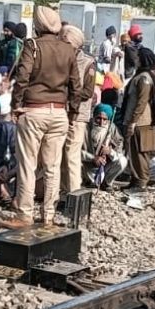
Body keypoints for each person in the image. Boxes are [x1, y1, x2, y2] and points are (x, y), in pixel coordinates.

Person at [5, 6, 79, 229]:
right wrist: (72, 112)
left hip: (33, 109)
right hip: (59, 112)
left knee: (27, 164)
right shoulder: (68, 49)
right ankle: (48, 215)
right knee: (52, 167)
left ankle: (24, 214)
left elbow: (22, 77)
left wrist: (15, 105)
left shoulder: (32, 45)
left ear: (37, 26)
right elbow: (76, 84)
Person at [61, 24, 97, 194]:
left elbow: (88, 92)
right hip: (61, 113)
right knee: (59, 157)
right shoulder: (62, 57)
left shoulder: (88, 63)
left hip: (78, 115)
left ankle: (74, 193)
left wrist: (68, 94)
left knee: (72, 156)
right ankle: (61, 192)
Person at [121, 47, 155, 192]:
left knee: (140, 153)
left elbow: (142, 101)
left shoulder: (144, 78)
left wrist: (133, 121)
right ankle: (135, 179)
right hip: (142, 120)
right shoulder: (144, 76)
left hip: (141, 121)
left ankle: (141, 181)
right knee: (134, 152)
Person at [83, 104, 125, 189]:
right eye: (98, 118)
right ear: (93, 117)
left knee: (122, 161)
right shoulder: (85, 128)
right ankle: (88, 182)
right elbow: (75, 152)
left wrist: (110, 152)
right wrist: (93, 158)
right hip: (86, 166)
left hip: (104, 166)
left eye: (105, 119)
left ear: (108, 120)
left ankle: (106, 183)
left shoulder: (112, 128)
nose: (101, 122)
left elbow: (120, 149)